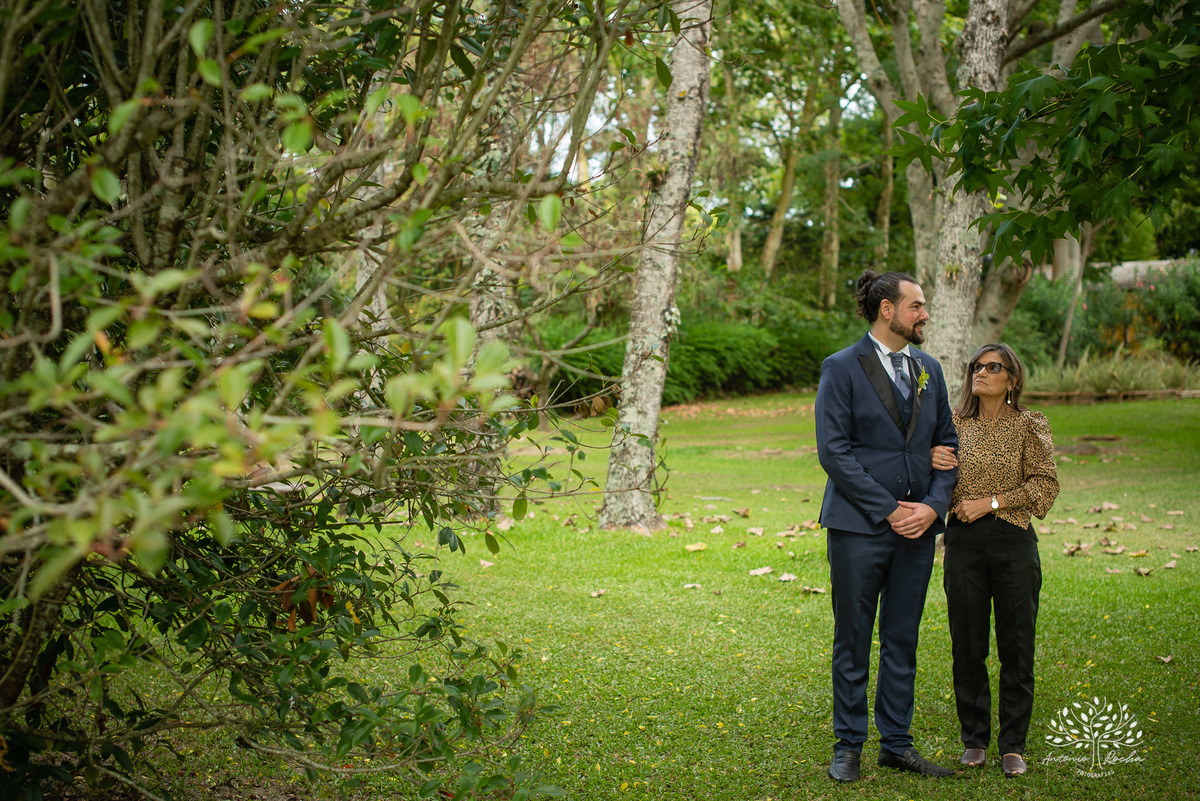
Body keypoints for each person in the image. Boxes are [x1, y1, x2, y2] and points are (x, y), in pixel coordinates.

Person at [815, 270, 959, 783]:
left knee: (902, 638)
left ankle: (896, 744)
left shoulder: (929, 369)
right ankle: (848, 746)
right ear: (887, 310)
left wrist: (932, 508)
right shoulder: (840, 367)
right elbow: (834, 452)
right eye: (916, 305)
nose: (925, 314)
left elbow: (948, 445)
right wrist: (890, 509)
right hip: (858, 527)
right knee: (852, 640)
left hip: (918, 530)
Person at [932, 343, 1059, 779]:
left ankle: (1013, 745)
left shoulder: (1029, 424)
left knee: (1017, 645)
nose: (980, 373)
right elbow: (936, 480)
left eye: (992, 367)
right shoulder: (952, 425)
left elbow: (1044, 486)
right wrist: (931, 461)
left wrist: (990, 502)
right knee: (967, 644)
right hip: (963, 543)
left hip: (1013, 540)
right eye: (976, 366)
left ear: (1012, 378)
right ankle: (974, 739)